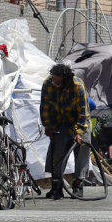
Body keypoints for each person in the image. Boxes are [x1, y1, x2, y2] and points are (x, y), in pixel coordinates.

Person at [40, 63, 91, 200]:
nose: (55, 83)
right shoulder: (48, 84)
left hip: (79, 121)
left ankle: (78, 185)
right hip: (60, 121)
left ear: (66, 80)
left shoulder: (77, 86)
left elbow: (83, 112)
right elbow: (44, 107)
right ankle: (56, 186)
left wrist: (79, 132)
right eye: (54, 80)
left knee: (82, 148)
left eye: (58, 81)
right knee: (58, 151)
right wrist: (48, 126)